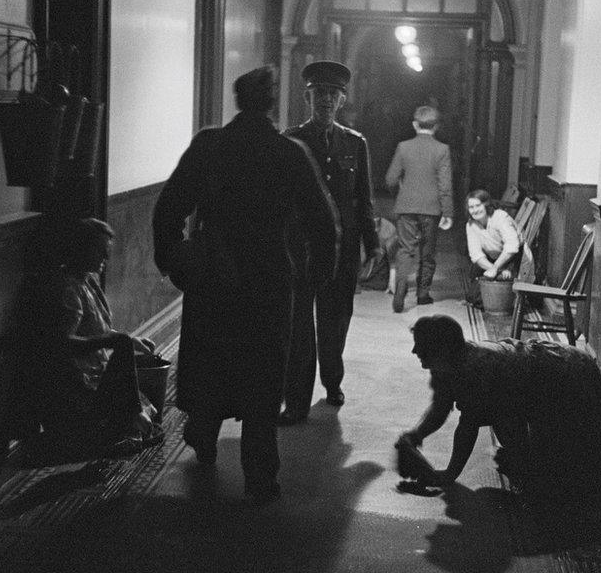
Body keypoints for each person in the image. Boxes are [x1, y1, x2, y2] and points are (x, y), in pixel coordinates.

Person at [152, 66, 340, 504]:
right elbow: (321, 220)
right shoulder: (288, 153)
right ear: (270, 103)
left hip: (214, 271)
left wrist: (177, 262)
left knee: (211, 355)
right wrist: (318, 273)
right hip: (270, 275)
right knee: (263, 369)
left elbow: (168, 209)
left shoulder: (208, 146)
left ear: (238, 100)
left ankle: (203, 432)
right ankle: (259, 473)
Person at [398, 315, 601, 499]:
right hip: (543, 381)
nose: (414, 351)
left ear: (442, 350)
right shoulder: (447, 365)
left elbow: (473, 426)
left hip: (568, 375)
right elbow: (440, 406)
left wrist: (449, 474)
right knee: (525, 460)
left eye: (421, 346)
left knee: (559, 477)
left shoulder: (476, 369)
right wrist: (415, 435)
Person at [279, 60, 380, 425]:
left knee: (335, 320)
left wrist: (375, 244)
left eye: (332, 94)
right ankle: (297, 402)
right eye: (319, 93)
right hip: (300, 249)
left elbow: (363, 199)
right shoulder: (290, 140)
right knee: (299, 327)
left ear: (341, 100)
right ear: (307, 97)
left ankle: (332, 380)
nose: (325, 100)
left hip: (343, 248)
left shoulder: (355, 143)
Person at [23, 217, 163, 457]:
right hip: (76, 384)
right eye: (100, 252)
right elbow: (60, 344)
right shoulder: (68, 290)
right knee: (138, 412)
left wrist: (129, 340)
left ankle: (120, 428)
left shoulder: (88, 281)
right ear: (80, 249)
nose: (106, 259)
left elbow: (96, 330)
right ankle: (113, 430)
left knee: (147, 407)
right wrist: (113, 342)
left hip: (96, 373)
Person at [385, 105, 454, 313]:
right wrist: (448, 212)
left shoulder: (403, 147)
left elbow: (390, 178)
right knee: (428, 251)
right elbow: (445, 184)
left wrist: (400, 193)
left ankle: (399, 293)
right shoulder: (442, 149)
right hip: (431, 208)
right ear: (437, 126)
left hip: (406, 206)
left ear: (415, 124)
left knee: (405, 249)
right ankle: (423, 295)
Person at [464, 189, 523, 305]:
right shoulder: (471, 224)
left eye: (478, 205)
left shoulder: (500, 217)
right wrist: (497, 270)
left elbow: (512, 247)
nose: (475, 210)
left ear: (486, 204)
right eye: (471, 207)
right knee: (473, 297)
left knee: (498, 298)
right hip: (493, 260)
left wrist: (496, 268)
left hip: (513, 258)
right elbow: (476, 255)